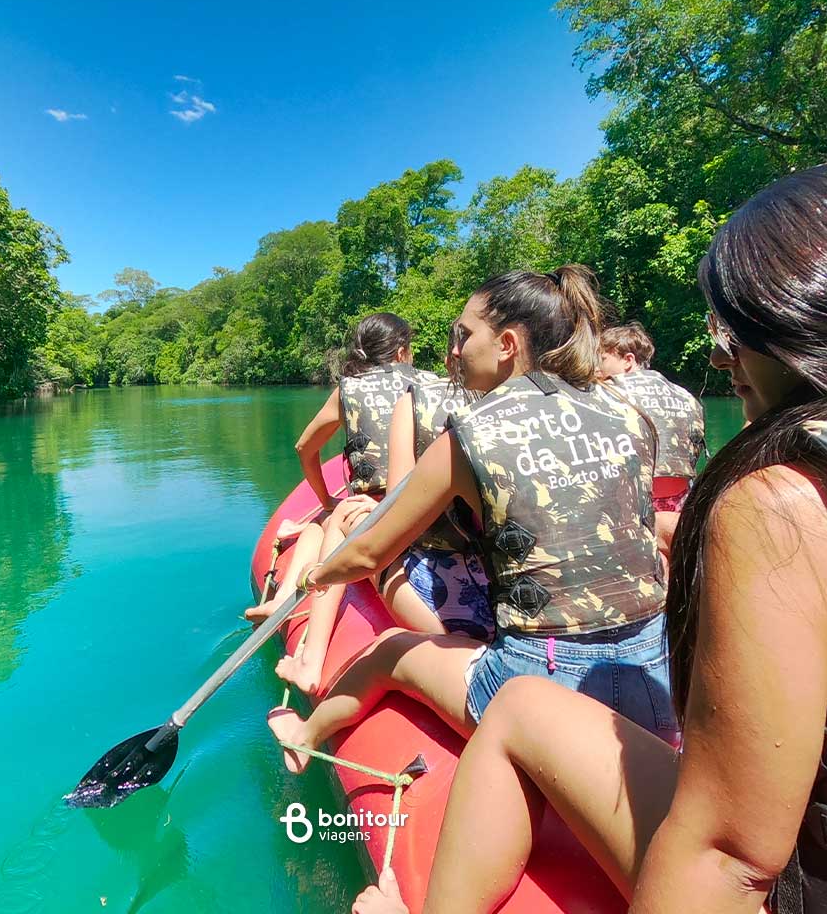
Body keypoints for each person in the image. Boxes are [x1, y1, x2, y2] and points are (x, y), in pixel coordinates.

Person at [351, 159, 827, 914]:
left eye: (730, 335)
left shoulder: (784, 508)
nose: (721, 359)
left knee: (519, 703)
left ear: (798, 337)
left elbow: (731, 856)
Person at [268, 264, 674, 780]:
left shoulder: (470, 434)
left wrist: (315, 576)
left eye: (464, 335)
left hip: (541, 683)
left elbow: (373, 550)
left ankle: (303, 737)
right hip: (654, 671)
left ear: (506, 343)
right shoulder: (629, 414)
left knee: (390, 650)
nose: (455, 349)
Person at [250, 312, 438, 693]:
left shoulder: (350, 388)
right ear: (404, 351)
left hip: (374, 515)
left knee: (331, 523)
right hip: (432, 514)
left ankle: (310, 657)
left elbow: (305, 447)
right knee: (325, 524)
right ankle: (287, 602)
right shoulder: (434, 383)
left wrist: (325, 499)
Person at [377, 325, 493, 640]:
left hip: (444, 579)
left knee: (355, 525)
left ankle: (445, 641)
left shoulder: (414, 401)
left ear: (448, 360)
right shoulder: (535, 406)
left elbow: (396, 514)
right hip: (523, 590)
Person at [600, 322, 705, 512]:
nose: (595, 368)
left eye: (602, 359)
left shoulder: (606, 392)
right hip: (681, 500)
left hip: (635, 503)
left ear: (627, 360)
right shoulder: (686, 395)